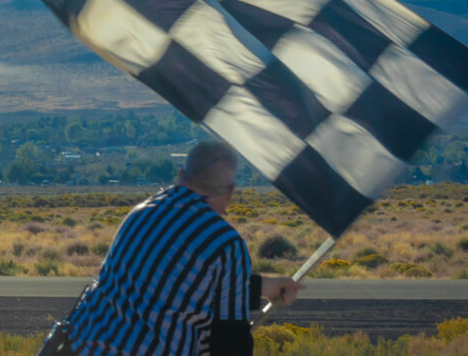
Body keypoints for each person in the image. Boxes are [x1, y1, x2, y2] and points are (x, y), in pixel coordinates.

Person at [40, 139, 303, 355]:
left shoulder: (140, 214)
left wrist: (262, 287)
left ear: (180, 175)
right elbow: (230, 342)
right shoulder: (225, 243)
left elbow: (167, 287)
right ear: (231, 191)